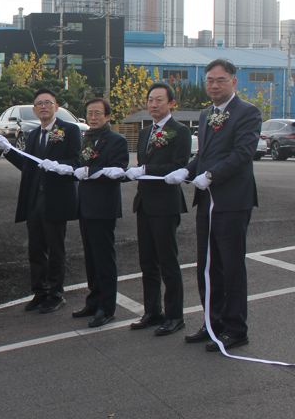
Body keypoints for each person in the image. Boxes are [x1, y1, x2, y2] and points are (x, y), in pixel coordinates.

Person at [165, 59, 261, 351]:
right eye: (209, 80)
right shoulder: (206, 115)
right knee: (207, 265)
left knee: (231, 266)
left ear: (233, 81)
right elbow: (205, 154)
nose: (214, 85)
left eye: (220, 80)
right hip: (206, 200)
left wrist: (211, 175)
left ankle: (236, 328)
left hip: (232, 201)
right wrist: (188, 170)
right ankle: (212, 323)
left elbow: (243, 153)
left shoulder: (248, 112)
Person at [0, 88, 81, 314]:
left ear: (56, 106)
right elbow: (27, 165)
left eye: (48, 103)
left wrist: (58, 165)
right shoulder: (33, 134)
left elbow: (75, 160)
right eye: (39, 104)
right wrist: (8, 150)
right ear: (34, 109)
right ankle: (39, 292)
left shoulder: (69, 130)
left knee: (55, 248)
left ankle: (55, 293)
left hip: (56, 199)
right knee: (35, 249)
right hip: (34, 199)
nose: (43, 106)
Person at [125, 83, 191, 336]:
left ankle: (175, 316)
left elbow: (179, 165)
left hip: (166, 205)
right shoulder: (145, 133)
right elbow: (142, 163)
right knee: (147, 261)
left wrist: (146, 171)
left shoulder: (181, 131)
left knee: (167, 262)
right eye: (150, 100)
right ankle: (152, 311)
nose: (153, 104)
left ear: (171, 103)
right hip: (145, 203)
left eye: (159, 100)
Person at [72, 98, 129, 328]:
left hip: (104, 207)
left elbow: (119, 170)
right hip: (85, 205)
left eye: (97, 113)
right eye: (89, 113)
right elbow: (79, 163)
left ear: (107, 116)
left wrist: (91, 171)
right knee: (91, 257)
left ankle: (107, 307)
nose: (93, 117)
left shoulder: (116, 141)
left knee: (104, 258)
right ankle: (93, 300)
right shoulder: (86, 138)